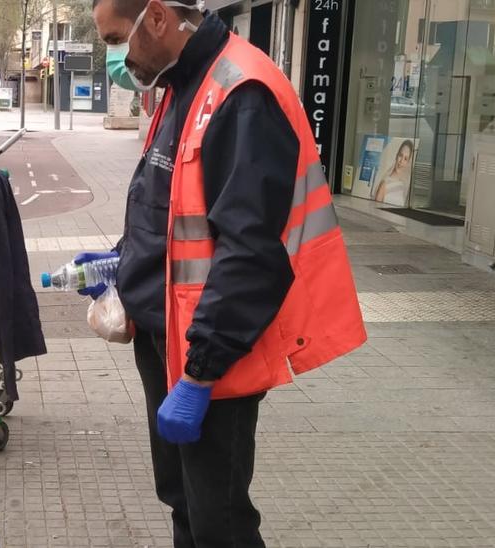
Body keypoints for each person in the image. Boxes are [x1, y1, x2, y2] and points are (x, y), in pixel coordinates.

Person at [85, 1, 367, 546]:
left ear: (159, 19)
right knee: (184, 502)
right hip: (166, 341)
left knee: (221, 522)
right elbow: (166, 207)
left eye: (115, 38)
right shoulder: (179, 87)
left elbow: (251, 254)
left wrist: (199, 375)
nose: (114, 57)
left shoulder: (242, 94)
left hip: (209, 359)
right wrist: (121, 262)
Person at [374, 139, 414, 206]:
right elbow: (375, 210)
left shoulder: (403, 184)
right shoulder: (384, 184)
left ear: (407, 163)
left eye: (405, 159)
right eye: (400, 155)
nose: (401, 161)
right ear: (396, 156)